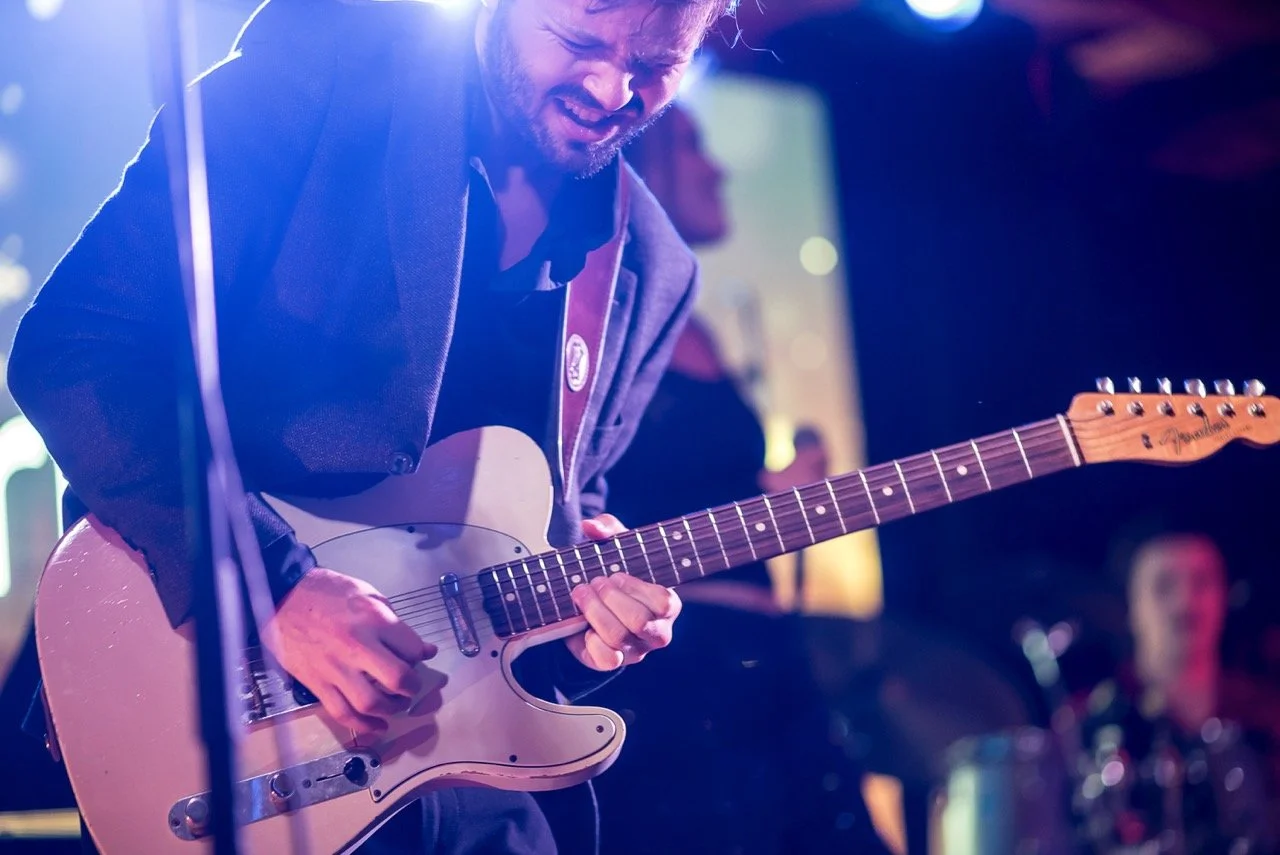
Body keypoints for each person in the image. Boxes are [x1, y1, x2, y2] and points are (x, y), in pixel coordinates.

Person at [5, 0, 742, 851]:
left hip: (477, 774)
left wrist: (590, 620)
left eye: (655, 65)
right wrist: (271, 592)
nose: (613, 89)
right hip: (248, 741)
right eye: (579, 43)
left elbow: (562, 505)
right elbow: (77, 348)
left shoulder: (650, 263)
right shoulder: (323, 77)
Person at [542, 102, 893, 854]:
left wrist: (776, 492)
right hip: (675, 661)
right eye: (696, 148)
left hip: (762, 645)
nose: (719, 170)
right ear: (648, 171)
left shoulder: (693, 323)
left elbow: (687, 481)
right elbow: (592, 483)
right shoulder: (605, 317)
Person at [1072, 529, 1276, 854]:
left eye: (1202, 582)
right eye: (1164, 586)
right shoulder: (1085, 726)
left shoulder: (1268, 713)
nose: (1185, 602)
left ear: (1226, 596)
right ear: (1130, 606)